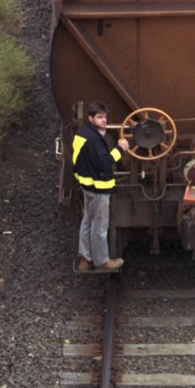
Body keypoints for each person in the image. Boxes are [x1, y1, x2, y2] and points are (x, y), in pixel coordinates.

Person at [72, 101, 129, 272]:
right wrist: (121, 149)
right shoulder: (94, 139)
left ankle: (85, 258)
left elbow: (77, 161)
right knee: (100, 226)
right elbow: (103, 163)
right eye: (99, 117)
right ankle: (102, 262)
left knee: (87, 222)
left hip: (87, 186)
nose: (104, 120)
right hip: (99, 188)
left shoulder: (82, 133)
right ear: (91, 118)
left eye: (105, 116)